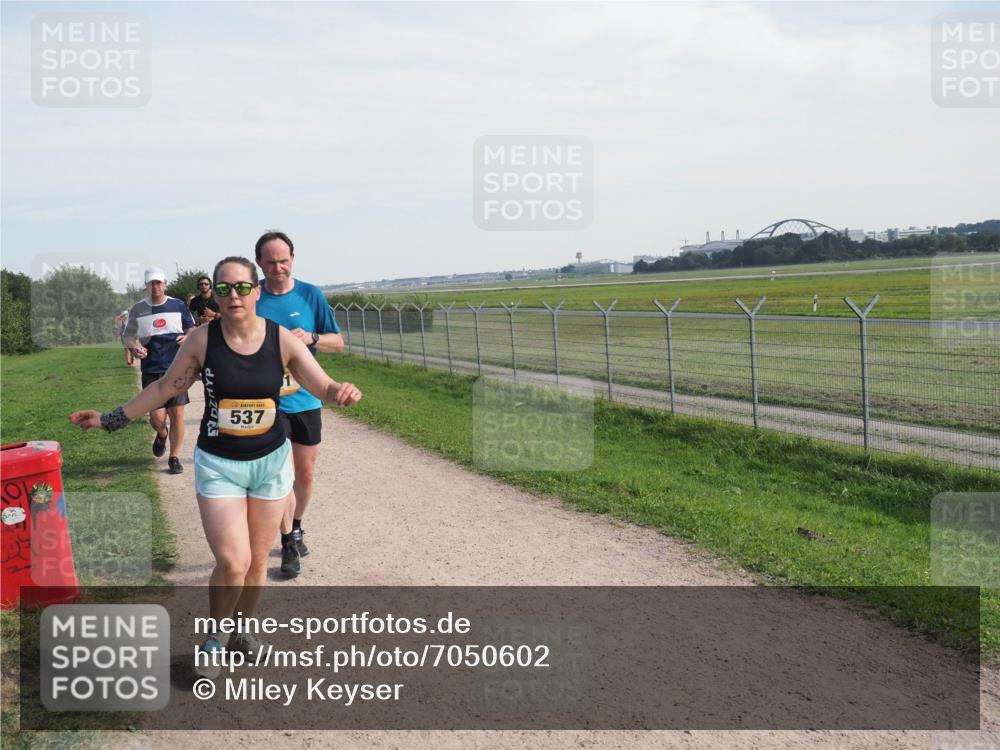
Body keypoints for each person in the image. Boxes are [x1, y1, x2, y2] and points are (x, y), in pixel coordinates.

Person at [70, 256, 363, 676]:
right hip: (220, 465)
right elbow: (163, 387)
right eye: (224, 288)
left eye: (242, 287)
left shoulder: (281, 339)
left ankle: (242, 633)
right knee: (233, 561)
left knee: (259, 560)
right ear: (216, 296)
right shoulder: (202, 340)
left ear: (256, 291)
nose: (233, 295)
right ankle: (213, 637)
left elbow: (322, 384)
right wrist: (111, 418)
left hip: (269, 463)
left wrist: (341, 392)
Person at [254, 230, 344, 577]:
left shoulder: (310, 295)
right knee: (279, 474)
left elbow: (339, 342)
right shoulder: (254, 298)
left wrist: (313, 338)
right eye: (271, 262)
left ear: (293, 259)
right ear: (260, 263)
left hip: (305, 398)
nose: (278, 267)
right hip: (267, 402)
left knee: (304, 474)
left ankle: (297, 523)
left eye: (284, 260)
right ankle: (288, 540)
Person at [122, 268, 197, 475]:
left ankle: (174, 457)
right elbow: (128, 336)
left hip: (176, 368)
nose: (155, 287)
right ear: (145, 286)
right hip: (151, 369)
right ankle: (162, 433)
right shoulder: (138, 309)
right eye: (151, 284)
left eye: (158, 283)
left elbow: (191, 329)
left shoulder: (178, 305)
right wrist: (135, 347)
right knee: (156, 418)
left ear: (165, 283)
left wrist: (187, 337)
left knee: (177, 414)